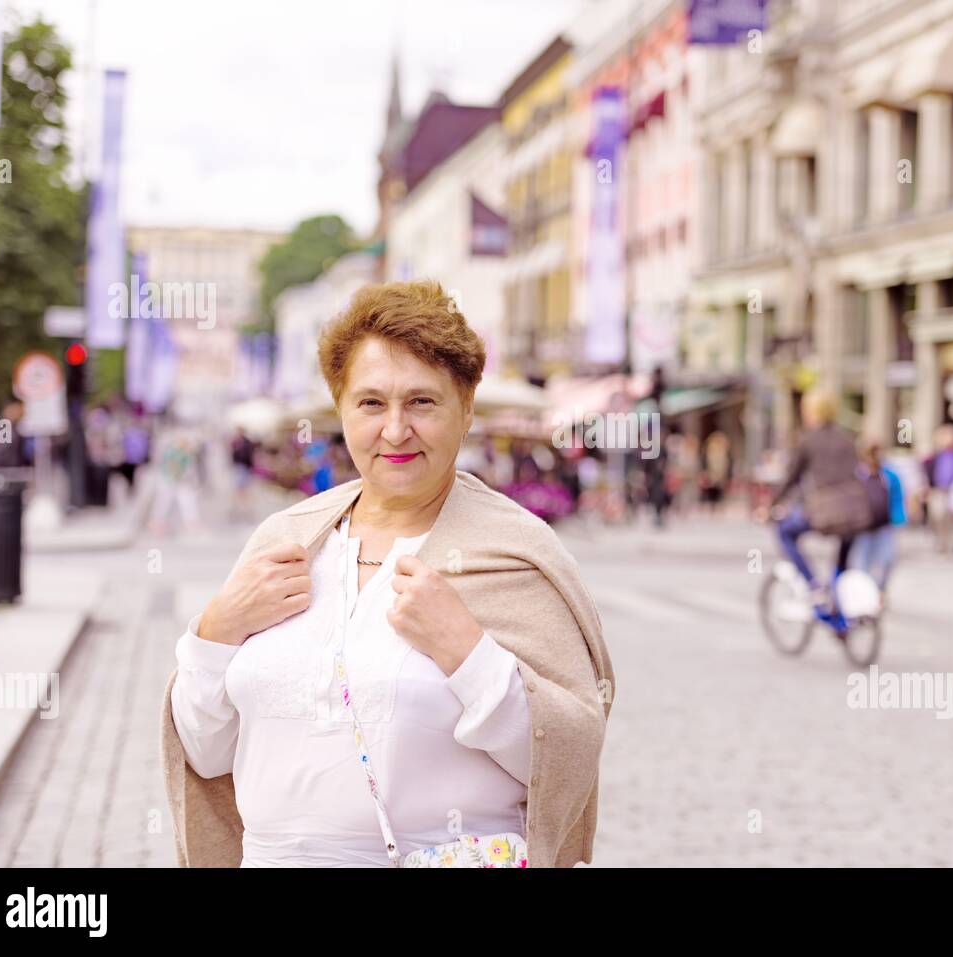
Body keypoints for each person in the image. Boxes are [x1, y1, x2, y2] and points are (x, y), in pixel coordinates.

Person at [160, 280, 613, 868]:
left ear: (466, 407)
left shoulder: (514, 553)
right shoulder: (287, 540)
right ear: (341, 408)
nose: (395, 430)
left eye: (422, 402)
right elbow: (207, 751)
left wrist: (470, 655)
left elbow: (566, 761)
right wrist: (215, 632)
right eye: (371, 403)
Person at [754, 389, 861, 608]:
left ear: (812, 412)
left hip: (825, 509)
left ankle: (814, 586)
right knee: (844, 551)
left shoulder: (808, 440)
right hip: (854, 511)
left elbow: (791, 478)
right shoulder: (847, 438)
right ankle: (838, 601)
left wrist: (770, 506)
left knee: (785, 531)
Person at [848, 438, 905, 596]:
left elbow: (897, 497)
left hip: (884, 525)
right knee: (861, 563)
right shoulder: (858, 473)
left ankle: (878, 591)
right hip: (863, 526)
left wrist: (899, 518)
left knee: (888, 560)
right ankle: (863, 595)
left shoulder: (888, 474)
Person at [923, 423, 953, 553]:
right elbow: (927, 471)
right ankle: (939, 540)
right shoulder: (935, 456)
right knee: (937, 517)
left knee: (951, 519)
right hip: (937, 491)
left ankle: (948, 542)